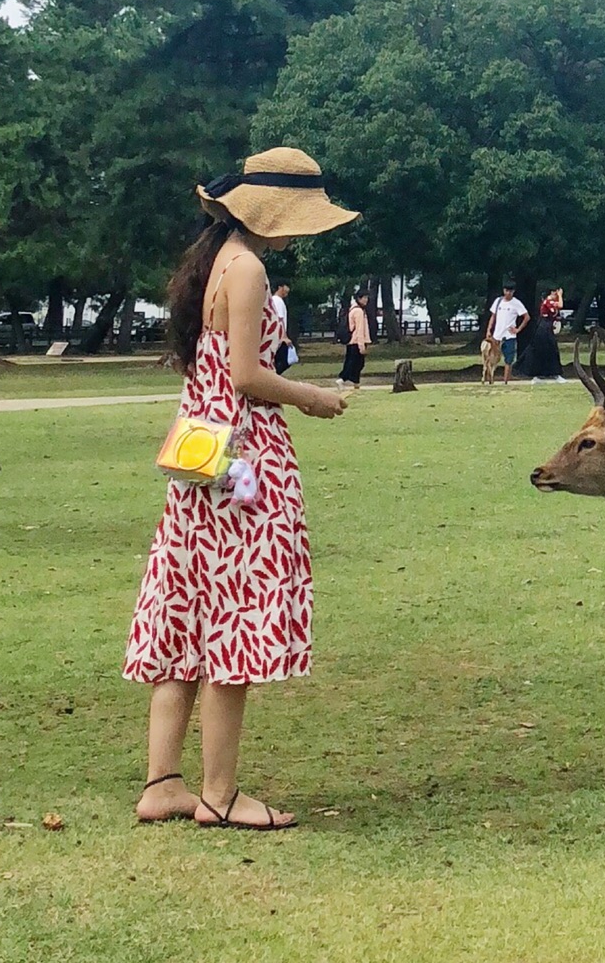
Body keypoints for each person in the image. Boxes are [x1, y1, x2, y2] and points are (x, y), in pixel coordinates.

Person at [125, 147, 355, 830]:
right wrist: (312, 397)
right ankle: (219, 795)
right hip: (243, 459)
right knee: (236, 615)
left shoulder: (217, 258)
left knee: (189, 614)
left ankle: (162, 782)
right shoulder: (249, 267)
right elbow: (247, 376)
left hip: (202, 455)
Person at [485, 277, 528, 385]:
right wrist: (489, 329)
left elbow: (526, 317)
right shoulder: (498, 301)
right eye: (506, 290)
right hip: (497, 335)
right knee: (493, 357)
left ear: (513, 291)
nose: (508, 293)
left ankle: (506, 381)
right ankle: (491, 379)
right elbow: (493, 316)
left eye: (510, 291)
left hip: (509, 336)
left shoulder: (516, 303)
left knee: (508, 359)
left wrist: (518, 329)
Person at [341, 288, 370, 387]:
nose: (366, 300)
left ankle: (355, 383)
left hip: (352, 341)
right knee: (356, 363)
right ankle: (343, 379)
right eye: (364, 298)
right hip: (356, 341)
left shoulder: (353, 309)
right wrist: (361, 346)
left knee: (354, 362)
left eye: (367, 298)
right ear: (359, 298)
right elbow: (360, 329)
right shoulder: (358, 311)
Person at [269, 282, 298, 374]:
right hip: (279, 338)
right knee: (285, 361)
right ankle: (272, 378)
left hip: (277, 337)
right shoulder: (277, 300)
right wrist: (284, 337)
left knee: (281, 360)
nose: (288, 289)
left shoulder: (276, 300)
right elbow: (279, 319)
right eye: (286, 287)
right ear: (280, 287)